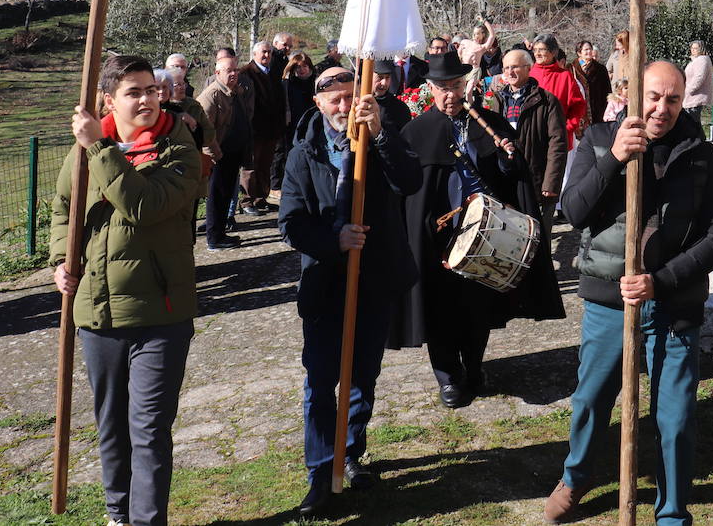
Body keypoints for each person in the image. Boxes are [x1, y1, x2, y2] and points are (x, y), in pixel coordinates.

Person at [543, 61, 713, 525]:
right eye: (654, 97)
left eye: (672, 99)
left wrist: (663, 280)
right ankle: (575, 479)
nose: (662, 108)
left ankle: (671, 512)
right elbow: (573, 210)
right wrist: (614, 158)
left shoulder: (699, 154)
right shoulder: (595, 139)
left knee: (674, 419)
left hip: (674, 305)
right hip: (611, 302)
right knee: (591, 400)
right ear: (632, 93)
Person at [50, 55, 200, 526]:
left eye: (152, 89)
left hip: (162, 316)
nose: (148, 99)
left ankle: (147, 521)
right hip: (97, 315)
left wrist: (98, 148)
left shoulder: (180, 148)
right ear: (108, 100)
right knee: (111, 428)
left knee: (149, 430)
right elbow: (62, 207)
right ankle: (118, 514)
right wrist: (60, 262)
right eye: (134, 92)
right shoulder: (84, 149)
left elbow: (143, 205)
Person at [278, 66, 422, 516]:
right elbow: (291, 222)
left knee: (363, 375)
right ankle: (321, 472)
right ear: (318, 103)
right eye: (334, 99)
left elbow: (409, 182)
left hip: (374, 278)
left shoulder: (379, 140)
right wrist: (334, 241)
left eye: (350, 97)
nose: (344, 107)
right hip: (325, 284)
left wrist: (380, 134)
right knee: (321, 382)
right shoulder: (304, 153)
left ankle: (350, 454)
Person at [392, 51, 564, 408]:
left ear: (467, 84)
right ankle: (448, 377)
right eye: (442, 87)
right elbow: (408, 189)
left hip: (485, 234)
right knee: (439, 308)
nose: (449, 93)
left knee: (477, 306)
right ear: (430, 89)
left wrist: (507, 155)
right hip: (437, 237)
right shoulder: (415, 132)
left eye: (455, 85)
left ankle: (473, 367)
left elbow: (511, 178)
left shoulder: (490, 124)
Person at [495, 48, 567, 223]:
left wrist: (550, 183)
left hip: (538, 181)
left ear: (529, 68)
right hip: (508, 182)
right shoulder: (496, 100)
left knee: (541, 239)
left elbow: (557, 143)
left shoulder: (547, 101)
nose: (509, 72)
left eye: (515, 67)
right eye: (506, 68)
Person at [198, 55, 249, 250]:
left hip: (233, 154)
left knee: (226, 195)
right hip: (218, 157)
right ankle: (214, 238)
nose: (235, 73)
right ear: (217, 73)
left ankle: (221, 234)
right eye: (230, 70)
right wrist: (214, 156)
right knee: (216, 197)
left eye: (236, 70)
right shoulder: (211, 96)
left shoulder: (235, 92)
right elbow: (204, 130)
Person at [239, 41, 286, 215]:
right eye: (264, 52)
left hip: (271, 129)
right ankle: (246, 201)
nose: (267, 56)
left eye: (269, 53)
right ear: (254, 53)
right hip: (254, 129)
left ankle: (260, 198)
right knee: (250, 167)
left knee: (265, 165)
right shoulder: (246, 73)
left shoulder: (273, 72)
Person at [531, 34, 588, 150]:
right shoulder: (529, 74)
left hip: (559, 138)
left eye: (541, 50)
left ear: (553, 52)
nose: (537, 53)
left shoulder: (565, 76)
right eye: (535, 50)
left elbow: (579, 105)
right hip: (534, 137)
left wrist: (568, 127)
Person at [269, 32, 296, 191]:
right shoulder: (273, 60)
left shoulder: (285, 60)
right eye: (284, 45)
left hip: (282, 109)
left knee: (283, 148)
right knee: (277, 150)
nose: (287, 48)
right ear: (275, 43)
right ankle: (274, 184)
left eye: (290, 46)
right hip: (274, 111)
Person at [575, 41, 611, 126]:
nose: (589, 52)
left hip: (597, 112)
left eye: (590, 49)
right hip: (579, 112)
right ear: (579, 53)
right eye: (586, 49)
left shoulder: (601, 69)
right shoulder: (571, 68)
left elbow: (607, 91)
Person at [372, 59, 412, 132]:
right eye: (380, 77)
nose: (384, 83)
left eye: (387, 77)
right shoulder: (356, 103)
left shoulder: (400, 108)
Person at [683, 40, 713, 127]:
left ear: (701, 49)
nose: (693, 50)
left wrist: (688, 90)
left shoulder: (702, 60)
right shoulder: (696, 60)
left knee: (692, 122)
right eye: (692, 48)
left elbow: (699, 78)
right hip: (693, 96)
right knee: (693, 122)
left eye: (696, 48)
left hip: (695, 96)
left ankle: (695, 139)